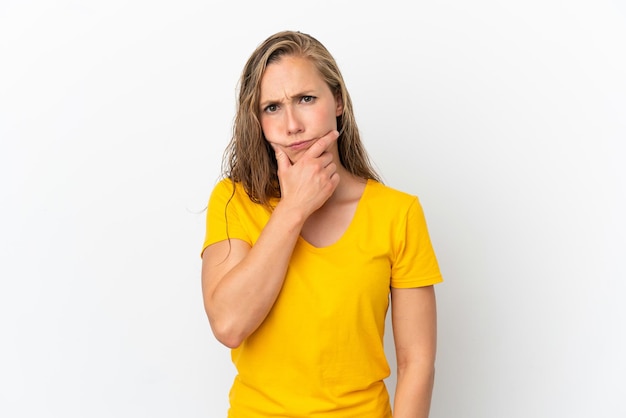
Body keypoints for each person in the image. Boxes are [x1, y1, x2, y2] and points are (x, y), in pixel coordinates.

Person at [201, 30, 443, 418]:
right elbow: (229, 325)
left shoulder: (397, 213)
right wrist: (294, 208)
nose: (291, 124)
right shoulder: (234, 201)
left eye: (306, 99)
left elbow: (417, 361)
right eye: (272, 108)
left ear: (339, 102)